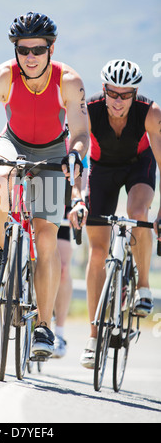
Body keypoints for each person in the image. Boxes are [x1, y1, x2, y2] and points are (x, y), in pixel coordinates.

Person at [0, 12, 89, 357]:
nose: (30, 56)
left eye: (38, 49)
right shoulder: (4, 76)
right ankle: (0, 250)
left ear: (51, 48)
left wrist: (74, 155)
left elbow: (79, 132)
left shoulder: (69, 81)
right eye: (23, 49)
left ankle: (44, 327)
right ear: (15, 49)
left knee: (46, 238)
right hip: (11, 143)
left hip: (51, 152)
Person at [80, 59, 161, 369]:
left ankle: (142, 286)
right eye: (112, 93)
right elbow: (76, 153)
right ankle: (92, 336)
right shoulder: (90, 111)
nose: (117, 101)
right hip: (100, 172)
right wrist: (76, 196)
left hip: (139, 167)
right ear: (104, 91)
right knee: (97, 252)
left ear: (134, 93)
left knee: (137, 212)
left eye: (124, 95)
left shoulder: (150, 113)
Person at [53, 156, 88, 358]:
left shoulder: (77, 130)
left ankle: (59, 332)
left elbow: (85, 169)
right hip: (39, 187)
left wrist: (79, 199)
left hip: (67, 196)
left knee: (63, 269)